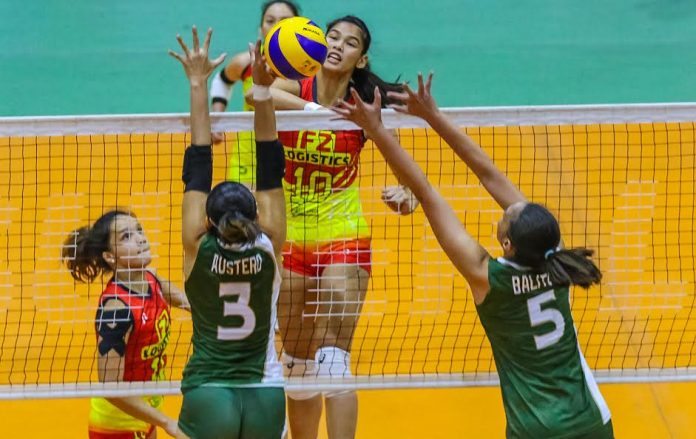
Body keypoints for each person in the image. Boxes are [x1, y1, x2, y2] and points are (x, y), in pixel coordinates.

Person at [331, 73, 614, 439]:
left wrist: (377, 130)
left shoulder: (488, 278)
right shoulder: (558, 261)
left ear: (507, 244)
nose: (506, 210)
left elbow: (426, 192)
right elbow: (487, 173)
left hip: (535, 430)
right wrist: (432, 116)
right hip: (593, 421)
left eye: (506, 218)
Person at [258, 15, 419, 439]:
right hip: (289, 239)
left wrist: (409, 194)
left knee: (333, 359)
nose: (337, 45)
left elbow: (404, 168)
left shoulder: (363, 106)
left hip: (343, 235)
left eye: (349, 43)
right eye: (332, 37)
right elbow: (265, 94)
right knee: (296, 362)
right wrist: (317, 113)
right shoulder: (296, 87)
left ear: (360, 59)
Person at [169, 26, 287, 439]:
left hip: (209, 389)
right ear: (257, 215)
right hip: (266, 390)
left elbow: (199, 159)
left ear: (207, 219)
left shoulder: (195, 244)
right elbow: (271, 161)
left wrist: (198, 83)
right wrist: (264, 92)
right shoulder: (270, 242)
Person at [62, 210, 190, 439]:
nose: (141, 238)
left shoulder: (150, 278)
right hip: (118, 425)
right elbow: (111, 389)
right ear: (110, 257)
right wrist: (167, 423)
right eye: (126, 236)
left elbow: (180, 297)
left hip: (147, 409)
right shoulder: (116, 311)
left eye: (139, 230)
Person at [210, 0, 299, 184]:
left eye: (284, 21)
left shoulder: (308, 69)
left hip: (294, 164)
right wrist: (217, 117)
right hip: (247, 162)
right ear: (261, 29)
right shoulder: (245, 63)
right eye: (270, 20)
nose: (276, 26)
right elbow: (222, 80)